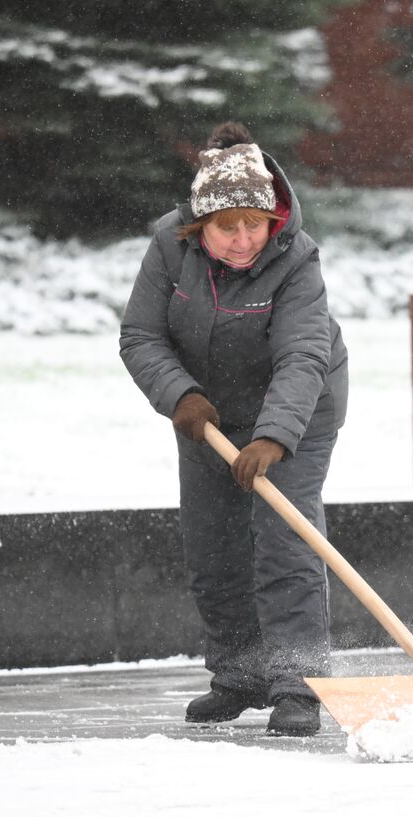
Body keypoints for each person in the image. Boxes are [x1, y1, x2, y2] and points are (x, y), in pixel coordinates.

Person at [120, 121, 348, 736]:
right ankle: (242, 674)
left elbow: (304, 356)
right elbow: (140, 335)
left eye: (256, 224)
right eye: (228, 228)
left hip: (298, 408)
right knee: (213, 543)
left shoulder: (296, 257)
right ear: (200, 227)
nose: (245, 239)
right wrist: (181, 396)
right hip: (208, 414)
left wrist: (275, 436)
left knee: (283, 536)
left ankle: (297, 683)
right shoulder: (170, 247)